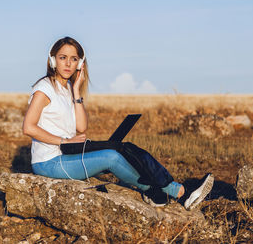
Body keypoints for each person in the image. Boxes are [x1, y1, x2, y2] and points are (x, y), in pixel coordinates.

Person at [22, 36, 213, 209]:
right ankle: (179, 193)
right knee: (111, 157)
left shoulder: (69, 88)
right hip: (49, 162)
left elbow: (81, 127)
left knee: (123, 148)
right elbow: (28, 127)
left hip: (66, 154)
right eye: (63, 57)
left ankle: (159, 192)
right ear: (53, 59)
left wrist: (77, 92)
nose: (68, 63)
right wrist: (64, 141)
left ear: (79, 63)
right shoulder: (44, 88)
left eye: (73, 59)